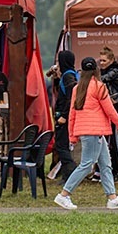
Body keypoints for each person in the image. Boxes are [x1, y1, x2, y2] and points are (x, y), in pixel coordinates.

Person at [55, 56, 118, 210]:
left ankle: (112, 197)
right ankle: (64, 195)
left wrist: (72, 135)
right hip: (95, 132)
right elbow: (109, 110)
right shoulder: (99, 86)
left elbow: (72, 113)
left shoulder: (77, 88)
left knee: (105, 164)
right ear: (96, 70)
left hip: (87, 131)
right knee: (87, 164)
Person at [97, 47, 118, 180]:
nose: (102, 63)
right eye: (100, 61)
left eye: (104, 60)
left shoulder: (115, 72)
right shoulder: (111, 71)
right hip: (114, 111)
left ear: (111, 60)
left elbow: (101, 80)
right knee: (114, 143)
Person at [50, 50, 78, 179]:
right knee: (63, 146)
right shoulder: (71, 74)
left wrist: (64, 116)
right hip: (66, 115)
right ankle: (67, 174)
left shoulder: (68, 77)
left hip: (64, 116)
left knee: (62, 146)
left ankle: (70, 172)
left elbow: (70, 97)